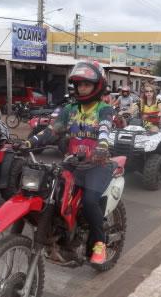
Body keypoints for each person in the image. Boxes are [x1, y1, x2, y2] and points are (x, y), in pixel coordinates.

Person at [22, 60, 114, 265]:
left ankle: (100, 244)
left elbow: (105, 129)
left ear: (97, 85)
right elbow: (52, 131)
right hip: (72, 163)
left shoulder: (104, 109)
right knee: (49, 192)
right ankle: (59, 234)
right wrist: (30, 141)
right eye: (79, 84)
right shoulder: (70, 109)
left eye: (86, 84)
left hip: (98, 165)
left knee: (90, 202)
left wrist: (102, 146)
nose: (82, 88)